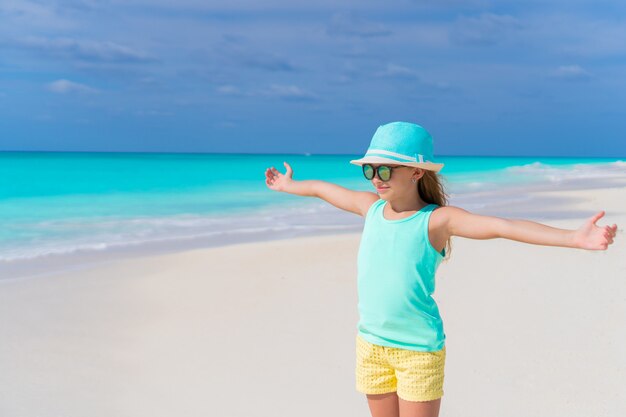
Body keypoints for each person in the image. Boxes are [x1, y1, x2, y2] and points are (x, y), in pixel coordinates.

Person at [263, 121, 618, 417]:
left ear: (417, 171)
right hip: (371, 346)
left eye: (385, 169)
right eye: (370, 169)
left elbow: (502, 226)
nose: (375, 178)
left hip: (418, 351)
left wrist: (573, 237)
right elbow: (325, 190)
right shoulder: (369, 208)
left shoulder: (435, 221)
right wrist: (289, 185)